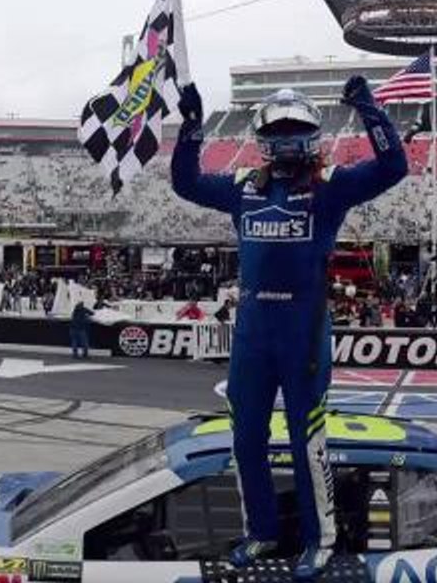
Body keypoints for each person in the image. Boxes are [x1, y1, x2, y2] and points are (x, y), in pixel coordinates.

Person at [171, 77, 406, 579]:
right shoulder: (241, 188)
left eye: (297, 126)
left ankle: (321, 539)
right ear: (261, 137)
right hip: (254, 332)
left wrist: (370, 109)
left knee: (308, 439)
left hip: (304, 332)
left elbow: (394, 167)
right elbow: (186, 184)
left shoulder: (331, 185)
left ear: (314, 134)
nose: (287, 136)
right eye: (279, 128)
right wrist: (192, 128)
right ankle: (262, 532)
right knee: (246, 439)